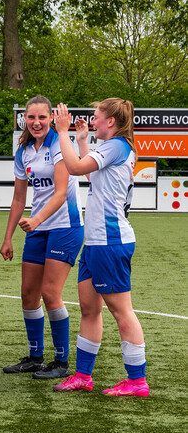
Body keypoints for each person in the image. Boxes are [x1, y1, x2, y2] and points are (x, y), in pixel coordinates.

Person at [52, 99, 150, 397]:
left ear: (111, 121)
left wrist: (62, 132)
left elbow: (73, 167)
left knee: (122, 311)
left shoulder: (117, 146)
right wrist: (81, 141)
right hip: (96, 242)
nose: (93, 122)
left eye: (96, 118)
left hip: (110, 241)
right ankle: (83, 375)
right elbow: (91, 174)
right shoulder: (113, 148)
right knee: (89, 308)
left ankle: (137, 381)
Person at [0, 95, 83, 380]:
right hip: (38, 228)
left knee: (50, 294)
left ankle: (61, 362)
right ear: (25, 119)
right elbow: (19, 197)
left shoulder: (61, 144)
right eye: (31, 117)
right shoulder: (23, 150)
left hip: (65, 227)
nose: (36, 123)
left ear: (50, 119)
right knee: (28, 294)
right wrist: (8, 237)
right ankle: (35, 356)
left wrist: (35, 219)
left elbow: (61, 193)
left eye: (42, 118)